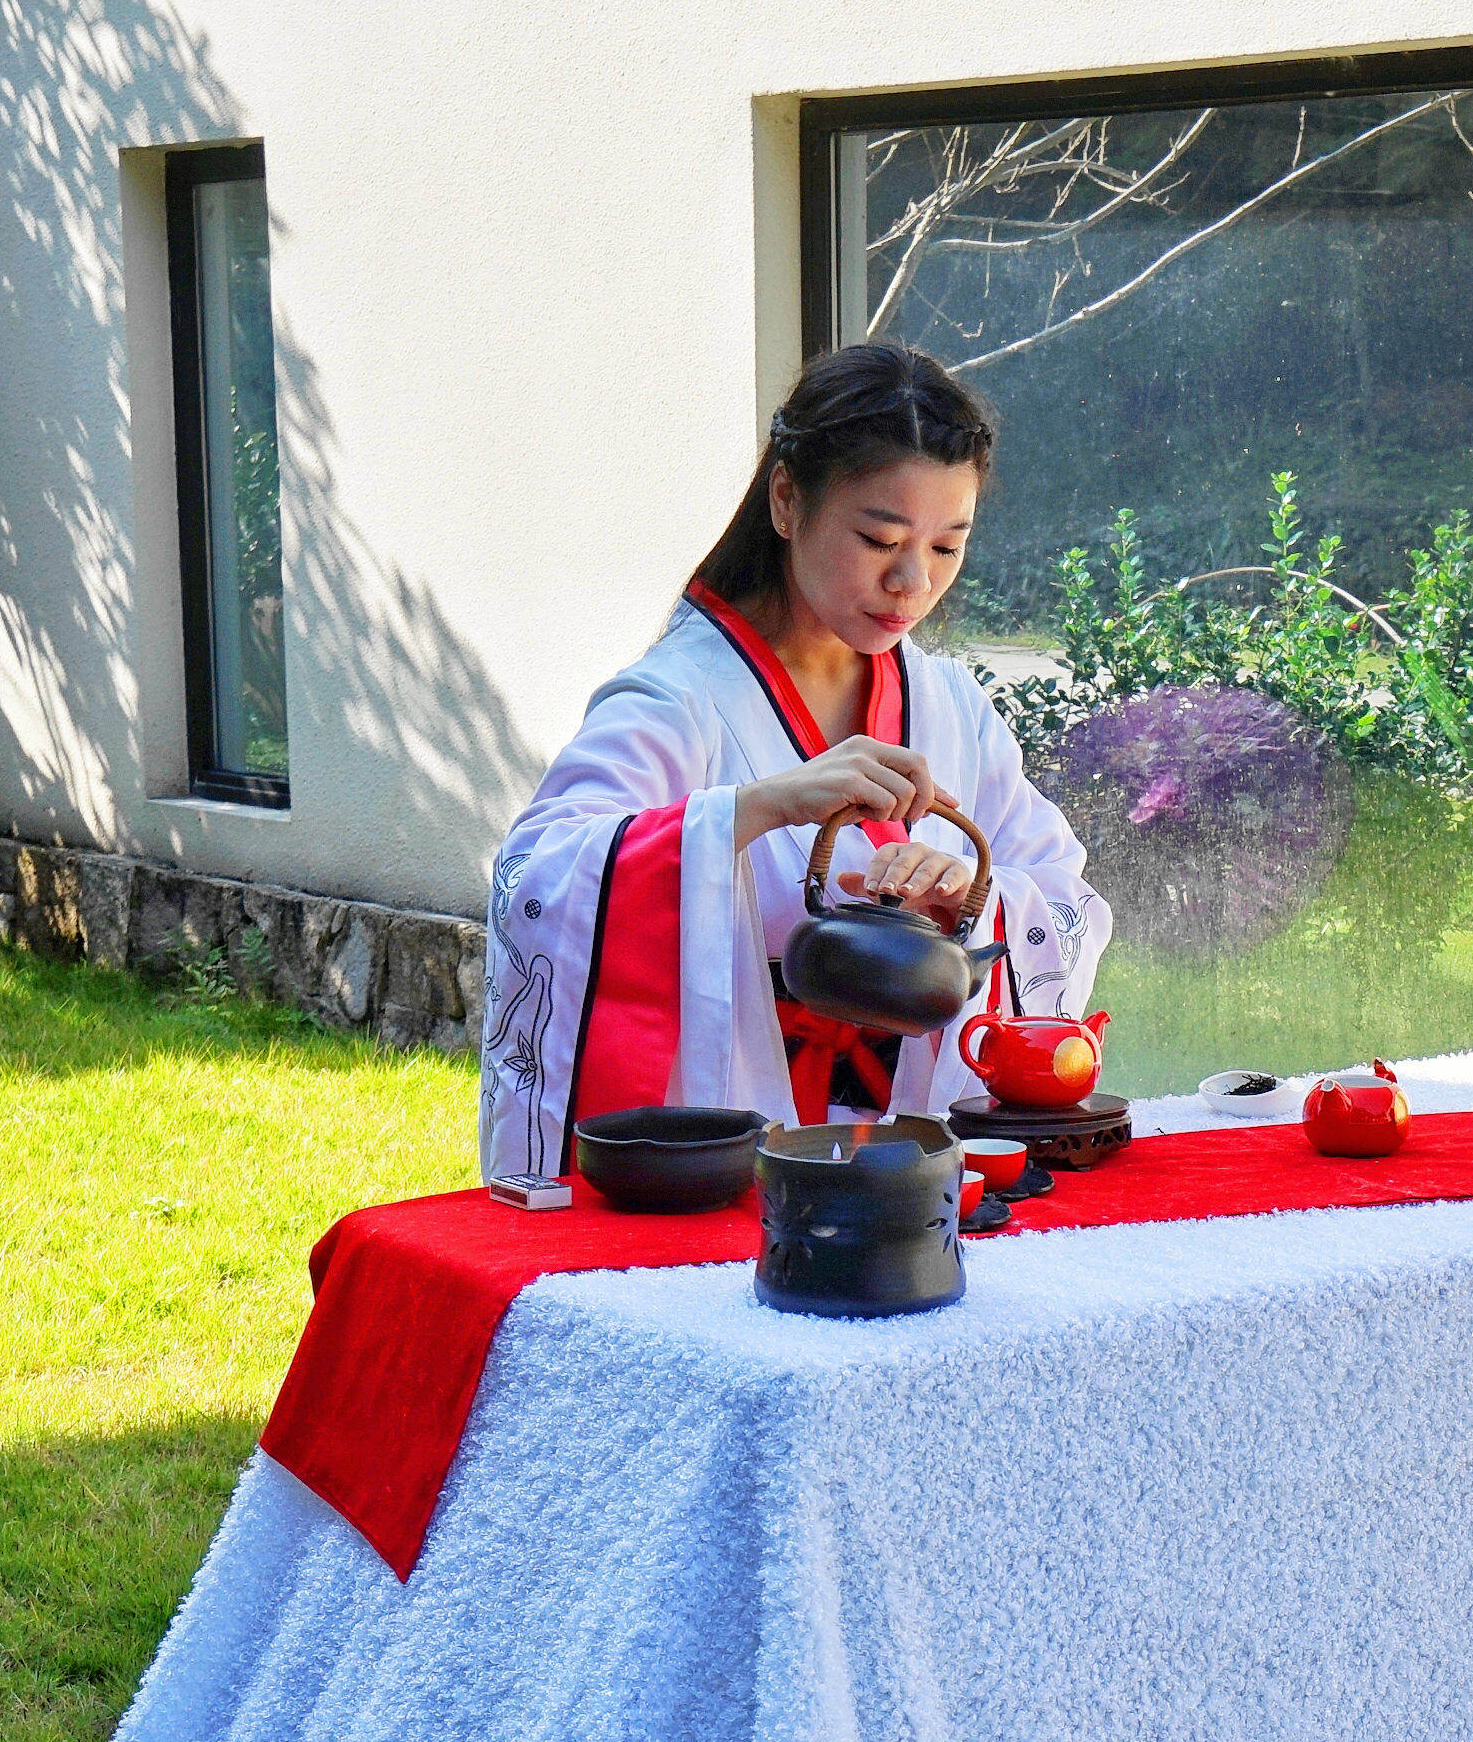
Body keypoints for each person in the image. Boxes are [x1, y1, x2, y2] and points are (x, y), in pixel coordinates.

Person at [477, 344, 1113, 1192]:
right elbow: (538, 876)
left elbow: (1063, 897)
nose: (912, 580)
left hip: (920, 1164)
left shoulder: (953, 707)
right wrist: (753, 809)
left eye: (947, 547)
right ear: (786, 499)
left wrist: (969, 896)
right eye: (879, 538)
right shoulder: (677, 699)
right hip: (728, 1155)